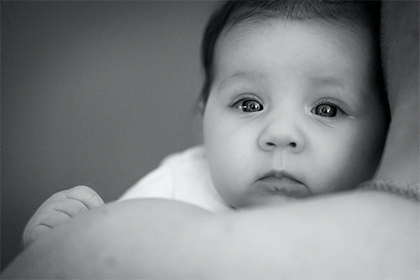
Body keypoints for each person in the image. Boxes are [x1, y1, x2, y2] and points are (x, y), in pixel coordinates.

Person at [2, 0, 418, 278]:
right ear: (205, 116)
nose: (280, 134)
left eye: (327, 109)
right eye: (249, 104)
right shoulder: (173, 191)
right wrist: (66, 241)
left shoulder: (380, 231)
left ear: (387, 130)